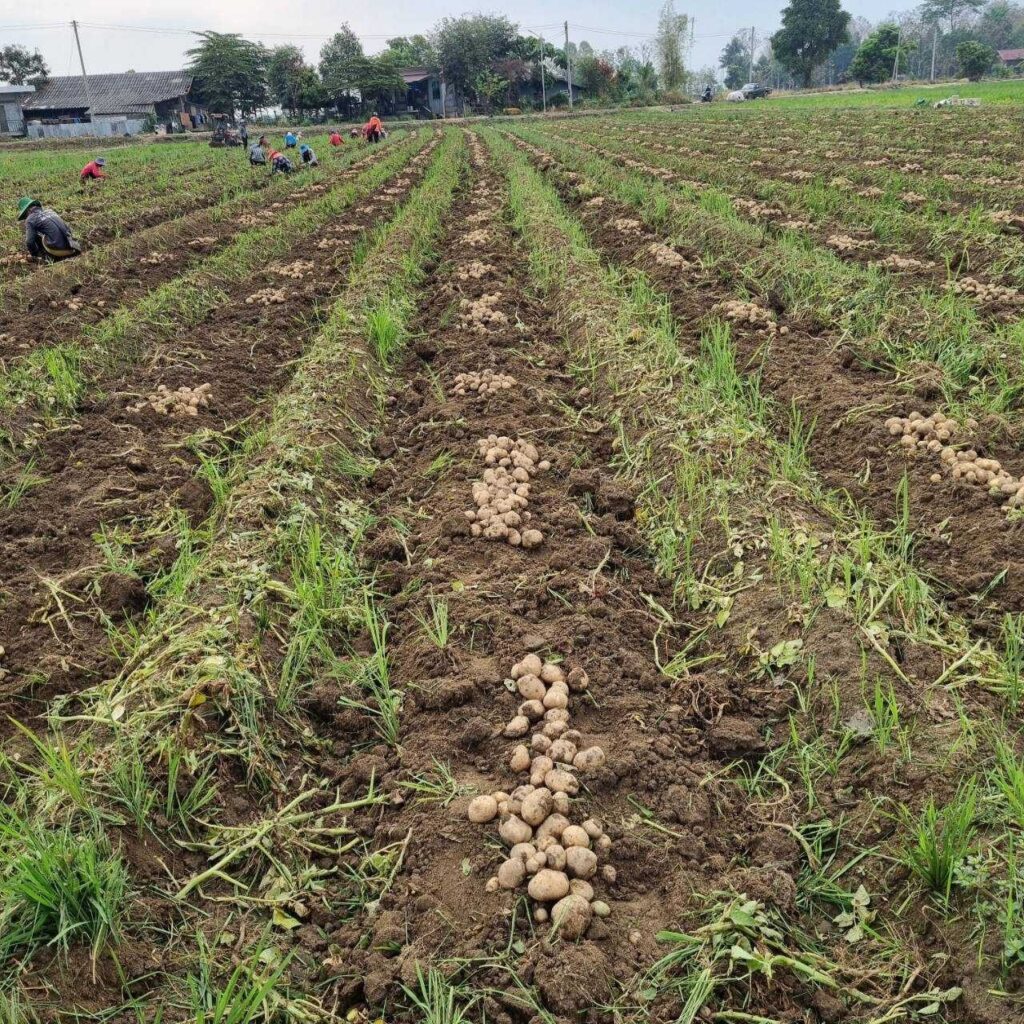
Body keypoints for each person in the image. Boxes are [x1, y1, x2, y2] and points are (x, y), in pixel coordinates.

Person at [17, 198, 82, 262]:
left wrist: (34, 255)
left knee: (37, 235)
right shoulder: (50, 211)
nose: (26, 217)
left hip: (58, 250)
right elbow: (67, 228)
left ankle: (46, 257)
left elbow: (29, 242)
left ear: (27, 211)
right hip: (72, 247)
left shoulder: (30, 219)